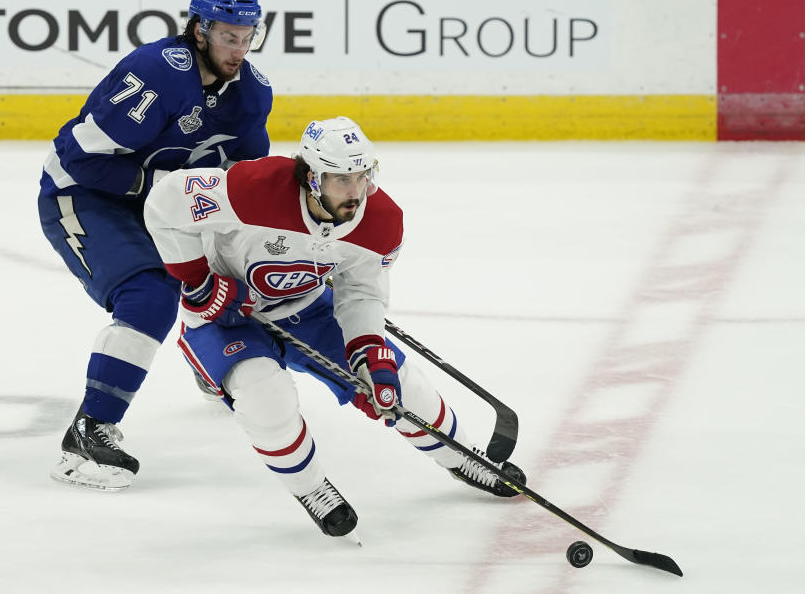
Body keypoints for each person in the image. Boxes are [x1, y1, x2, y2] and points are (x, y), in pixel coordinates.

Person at [143, 116, 527, 538]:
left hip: (307, 307)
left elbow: (360, 292)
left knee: (399, 384)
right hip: (229, 314)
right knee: (266, 398)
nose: (355, 191)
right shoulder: (252, 188)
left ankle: (465, 458)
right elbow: (165, 204)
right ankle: (311, 488)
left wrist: (369, 351)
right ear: (310, 177)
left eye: (362, 176)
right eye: (341, 179)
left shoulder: (380, 219)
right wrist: (199, 280)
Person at [37, 0, 273, 491]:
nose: (239, 48)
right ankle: (89, 430)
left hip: (161, 208)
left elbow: (247, 183)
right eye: (229, 35)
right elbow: (77, 157)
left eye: (247, 36)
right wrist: (159, 185)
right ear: (199, 29)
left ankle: (213, 360)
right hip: (84, 196)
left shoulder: (252, 94)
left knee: (238, 273)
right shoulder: (156, 73)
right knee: (148, 296)